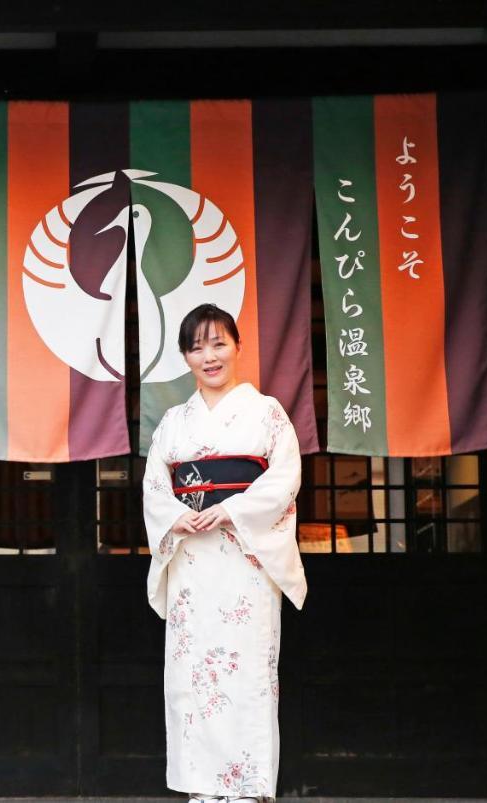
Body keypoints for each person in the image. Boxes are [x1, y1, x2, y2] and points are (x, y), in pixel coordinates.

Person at [142, 303, 308, 803]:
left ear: (237, 347)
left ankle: (249, 786)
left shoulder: (267, 413)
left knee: (249, 666)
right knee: (194, 671)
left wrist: (233, 509)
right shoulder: (174, 422)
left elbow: (284, 478)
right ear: (185, 357)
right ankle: (202, 786)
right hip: (194, 557)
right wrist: (176, 515)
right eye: (197, 347)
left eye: (219, 344)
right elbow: (155, 485)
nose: (209, 356)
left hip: (246, 558)